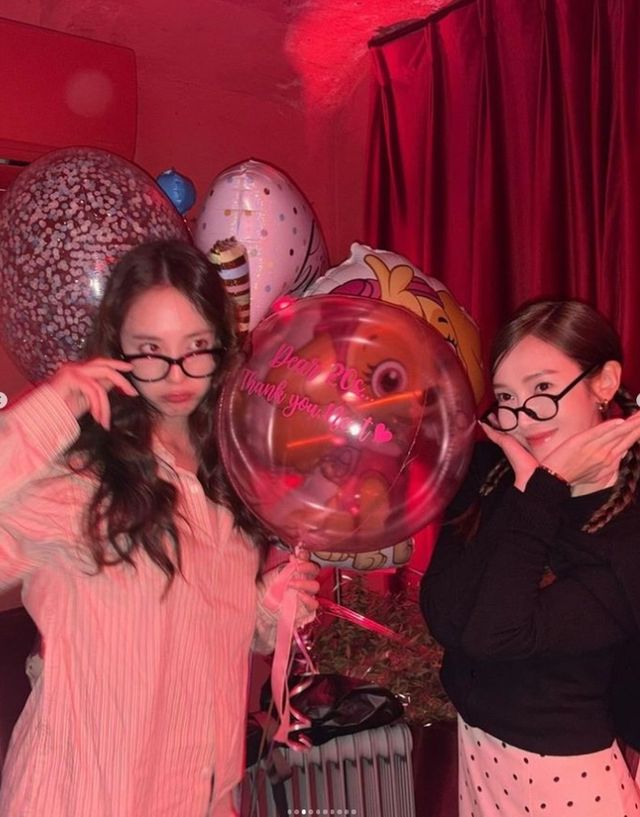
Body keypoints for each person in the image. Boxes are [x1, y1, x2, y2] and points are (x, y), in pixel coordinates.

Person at [0, 239, 319, 817]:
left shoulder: (232, 477)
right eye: (151, 351)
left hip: (197, 797)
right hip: (79, 798)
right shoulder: (78, 478)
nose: (177, 374)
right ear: (116, 348)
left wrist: (265, 609)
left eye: (196, 348)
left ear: (222, 345)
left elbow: (206, 635)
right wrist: (53, 406)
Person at [421, 299, 640, 816]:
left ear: (604, 383)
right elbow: (443, 614)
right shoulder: (492, 469)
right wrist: (531, 488)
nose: (521, 417)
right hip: (481, 756)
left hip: (567, 780)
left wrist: (542, 492)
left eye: (542, 389)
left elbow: (493, 636)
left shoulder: (629, 526)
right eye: (505, 397)